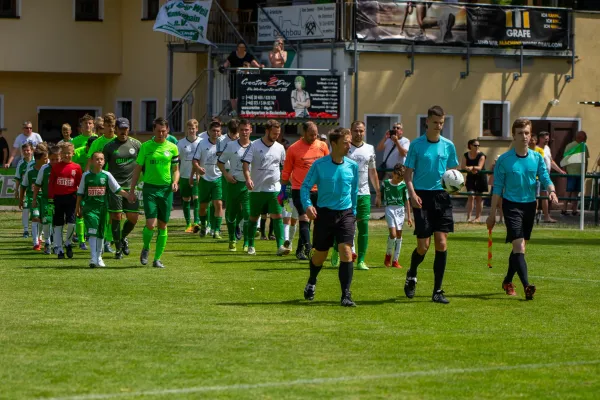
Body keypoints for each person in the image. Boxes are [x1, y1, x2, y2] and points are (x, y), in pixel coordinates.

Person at [486, 118, 558, 300]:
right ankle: (527, 286)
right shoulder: (504, 160)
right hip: (511, 206)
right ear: (514, 135)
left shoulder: (537, 158)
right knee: (519, 246)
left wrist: (552, 191)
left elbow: (545, 177)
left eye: (527, 133)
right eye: (520, 133)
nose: (525, 137)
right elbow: (497, 188)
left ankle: (508, 281)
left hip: (529, 206)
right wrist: (492, 214)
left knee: (520, 247)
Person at [404, 106, 458, 304]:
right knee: (423, 246)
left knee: (441, 244)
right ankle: (412, 273)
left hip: (442, 196)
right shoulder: (416, 145)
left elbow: (453, 173)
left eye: (442, 122)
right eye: (435, 122)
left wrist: (456, 186)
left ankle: (437, 291)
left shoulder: (448, 145)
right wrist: (412, 194)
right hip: (422, 197)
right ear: (427, 122)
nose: (439, 126)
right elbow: (408, 174)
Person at [301, 128, 359, 307]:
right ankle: (312, 280)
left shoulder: (352, 166)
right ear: (334, 144)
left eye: (349, 142)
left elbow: (354, 191)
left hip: (346, 214)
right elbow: (305, 188)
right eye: (345, 142)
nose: (349, 145)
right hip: (324, 214)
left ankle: (346, 295)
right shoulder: (319, 165)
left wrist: (354, 213)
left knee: (346, 251)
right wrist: (308, 205)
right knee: (320, 255)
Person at [129, 117, 180, 268]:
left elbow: (176, 170)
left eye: (163, 131)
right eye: (158, 131)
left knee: (163, 225)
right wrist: (132, 189)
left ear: (168, 131)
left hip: (166, 190)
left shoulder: (172, 147)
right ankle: (146, 247)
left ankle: (157, 259)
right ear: (153, 130)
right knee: (151, 224)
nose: (161, 134)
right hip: (150, 188)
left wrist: (175, 182)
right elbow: (137, 169)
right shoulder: (146, 147)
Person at [331, 120, 381, 270]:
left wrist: (378, 192)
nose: (358, 134)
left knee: (363, 226)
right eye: (356, 131)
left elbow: (372, 171)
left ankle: (361, 260)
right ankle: (335, 251)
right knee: (342, 226)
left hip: (363, 193)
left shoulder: (370, 149)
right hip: (344, 194)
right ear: (350, 131)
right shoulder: (344, 148)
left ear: (364, 132)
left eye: (361, 131)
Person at [281, 121, 329, 260]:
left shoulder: (322, 146)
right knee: (304, 217)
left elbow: (327, 166)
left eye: (316, 134)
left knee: (315, 220)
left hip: (318, 190)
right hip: (300, 189)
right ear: (303, 133)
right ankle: (309, 248)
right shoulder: (293, 149)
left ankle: (299, 250)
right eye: (311, 135)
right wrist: (283, 190)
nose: (314, 137)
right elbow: (287, 171)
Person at [242, 119, 289, 256]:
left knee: (278, 216)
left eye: (278, 134)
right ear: (267, 131)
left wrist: (285, 185)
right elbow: (245, 164)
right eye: (274, 133)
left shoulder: (280, 148)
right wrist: (248, 178)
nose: (276, 136)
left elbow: (284, 167)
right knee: (253, 217)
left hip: (275, 189)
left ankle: (280, 246)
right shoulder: (254, 145)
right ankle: (250, 244)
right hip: (257, 189)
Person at [77, 152, 131, 268]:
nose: (99, 161)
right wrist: (78, 208)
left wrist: (128, 196)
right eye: (97, 159)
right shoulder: (86, 176)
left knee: (101, 233)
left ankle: (99, 257)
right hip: (90, 208)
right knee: (92, 232)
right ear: (91, 161)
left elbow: (117, 189)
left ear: (104, 161)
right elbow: (80, 193)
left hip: (102, 209)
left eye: (101, 159)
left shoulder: (107, 175)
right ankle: (93, 258)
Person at [102, 118, 142, 259]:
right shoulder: (109, 146)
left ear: (128, 129)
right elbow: (102, 166)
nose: (123, 132)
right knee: (116, 216)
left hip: (132, 187)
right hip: (115, 188)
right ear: (116, 129)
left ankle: (122, 238)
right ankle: (118, 249)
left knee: (133, 218)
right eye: (121, 129)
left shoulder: (136, 145)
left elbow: (142, 164)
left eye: (126, 129)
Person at [217, 119, 252, 252]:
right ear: (239, 130)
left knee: (248, 213)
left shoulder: (254, 146)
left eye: (246, 130)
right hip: (233, 184)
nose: (244, 132)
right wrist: (226, 175)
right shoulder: (231, 146)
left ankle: (247, 242)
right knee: (231, 213)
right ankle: (232, 238)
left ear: (250, 130)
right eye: (242, 130)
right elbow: (220, 162)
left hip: (248, 186)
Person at [87, 114, 118, 253]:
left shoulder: (119, 141)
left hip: (117, 180)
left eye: (113, 126)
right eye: (108, 126)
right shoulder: (97, 142)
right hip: (100, 182)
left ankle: (109, 240)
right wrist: (86, 178)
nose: (111, 129)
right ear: (103, 126)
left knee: (116, 214)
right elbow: (89, 162)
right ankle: (98, 237)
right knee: (101, 213)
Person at [48, 142, 83, 259]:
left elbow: (80, 184)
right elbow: (51, 183)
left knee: (72, 222)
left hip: (71, 198)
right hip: (58, 198)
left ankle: (68, 243)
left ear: (72, 153)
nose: (66, 155)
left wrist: (81, 200)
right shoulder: (56, 166)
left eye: (68, 153)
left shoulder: (77, 167)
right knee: (58, 224)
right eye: (64, 153)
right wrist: (51, 197)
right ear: (60, 154)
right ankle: (59, 249)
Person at [193, 121, 224, 239]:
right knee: (203, 207)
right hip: (205, 179)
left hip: (218, 178)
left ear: (220, 132)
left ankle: (216, 230)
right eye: (214, 131)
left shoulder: (224, 144)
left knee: (218, 203)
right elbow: (195, 160)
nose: (216, 133)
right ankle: (203, 225)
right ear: (209, 132)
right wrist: (198, 168)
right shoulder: (202, 144)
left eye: (218, 131)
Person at [383, 164, 412, 268]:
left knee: (399, 235)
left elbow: (407, 201)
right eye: (398, 177)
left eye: (401, 178)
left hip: (400, 210)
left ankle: (395, 260)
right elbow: (381, 194)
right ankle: (388, 256)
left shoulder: (403, 185)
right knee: (393, 234)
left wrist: (409, 217)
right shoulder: (386, 183)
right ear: (393, 174)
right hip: (390, 208)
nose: (399, 180)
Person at [221, 41, 263, 114]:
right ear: (237, 48)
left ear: (245, 49)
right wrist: (223, 67)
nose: (241, 49)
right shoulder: (233, 55)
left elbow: (254, 63)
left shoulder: (248, 56)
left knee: (241, 95)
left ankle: (242, 110)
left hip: (244, 79)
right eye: (240, 47)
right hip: (233, 78)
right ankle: (235, 111)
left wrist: (260, 66)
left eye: (243, 47)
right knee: (233, 96)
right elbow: (227, 63)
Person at [33, 145, 61, 255]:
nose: (54, 162)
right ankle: (48, 243)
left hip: (59, 199)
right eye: (52, 159)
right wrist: (34, 199)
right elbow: (37, 185)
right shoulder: (44, 169)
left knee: (57, 223)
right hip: (46, 200)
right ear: (48, 157)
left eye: (57, 159)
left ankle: (57, 244)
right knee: (46, 220)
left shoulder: (64, 168)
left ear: (60, 157)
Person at [20, 144, 48, 250]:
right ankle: (36, 242)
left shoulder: (47, 170)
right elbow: (23, 186)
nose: (46, 160)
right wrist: (21, 199)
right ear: (37, 159)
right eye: (44, 158)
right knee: (35, 218)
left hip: (44, 199)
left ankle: (39, 237)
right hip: (33, 198)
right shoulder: (30, 172)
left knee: (42, 219)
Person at [177, 119, 203, 233]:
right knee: (186, 199)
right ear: (186, 129)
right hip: (184, 175)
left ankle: (196, 222)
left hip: (197, 176)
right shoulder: (181, 143)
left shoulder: (202, 142)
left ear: (197, 129)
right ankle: (188, 224)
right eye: (189, 128)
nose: (191, 130)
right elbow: (176, 160)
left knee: (196, 198)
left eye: (193, 128)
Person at [71, 137, 96, 250]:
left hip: (93, 185)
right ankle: (81, 240)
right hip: (78, 185)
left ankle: (89, 235)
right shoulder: (78, 152)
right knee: (80, 212)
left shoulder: (99, 155)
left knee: (91, 212)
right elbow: (70, 166)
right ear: (87, 147)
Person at [536, 131, 566, 223]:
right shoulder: (536, 149)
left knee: (545, 196)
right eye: (545, 139)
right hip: (537, 176)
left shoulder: (547, 148)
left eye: (548, 139)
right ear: (540, 139)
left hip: (546, 176)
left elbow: (551, 161)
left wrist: (560, 171)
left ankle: (546, 216)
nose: (547, 141)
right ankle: (534, 215)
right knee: (536, 196)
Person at [562, 130, 589, 216]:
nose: (585, 140)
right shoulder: (570, 146)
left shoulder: (585, 146)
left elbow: (586, 160)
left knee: (576, 192)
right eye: (584, 138)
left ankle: (574, 210)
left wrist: (585, 172)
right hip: (571, 173)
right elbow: (565, 159)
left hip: (580, 173)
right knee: (569, 191)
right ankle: (564, 209)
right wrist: (564, 170)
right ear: (579, 137)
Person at [461, 139, 487, 223]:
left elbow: (479, 167)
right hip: (471, 178)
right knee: (471, 196)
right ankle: (468, 217)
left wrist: (471, 167)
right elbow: (463, 166)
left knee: (479, 198)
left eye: (478, 145)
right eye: (475, 145)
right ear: (470, 146)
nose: (477, 147)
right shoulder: (465, 155)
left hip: (480, 177)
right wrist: (469, 168)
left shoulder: (482, 155)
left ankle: (478, 218)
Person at [14, 143, 34, 238]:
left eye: (28, 150)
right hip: (25, 190)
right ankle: (26, 230)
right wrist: (16, 190)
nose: (26, 152)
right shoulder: (21, 164)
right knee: (26, 209)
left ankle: (39, 230)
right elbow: (18, 178)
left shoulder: (37, 162)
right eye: (24, 150)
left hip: (37, 190)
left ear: (32, 151)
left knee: (37, 210)